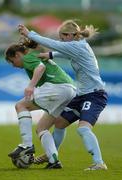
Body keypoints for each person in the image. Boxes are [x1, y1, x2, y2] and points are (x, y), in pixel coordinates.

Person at [18, 20, 108, 170]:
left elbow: (55, 45)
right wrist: (50, 55)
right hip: (82, 95)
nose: (61, 40)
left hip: (95, 95)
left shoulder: (76, 46)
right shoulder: (79, 45)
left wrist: (29, 34)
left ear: (70, 35)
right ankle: (51, 155)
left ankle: (99, 163)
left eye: (62, 37)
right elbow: (65, 52)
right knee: (59, 123)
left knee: (83, 129)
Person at [5, 37, 76, 169]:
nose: (13, 65)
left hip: (57, 87)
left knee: (20, 105)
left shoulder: (27, 58)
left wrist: (31, 86)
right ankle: (54, 161)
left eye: (12, 61)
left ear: (17, 54)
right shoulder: (33, 55)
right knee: (41, 129)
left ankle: (26, 145)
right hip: (70, 90)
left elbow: (41, 67)